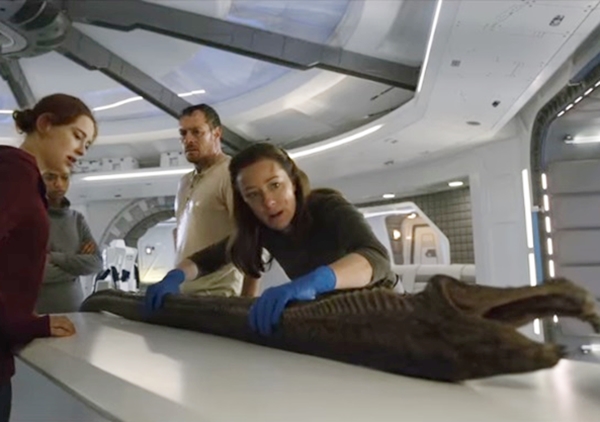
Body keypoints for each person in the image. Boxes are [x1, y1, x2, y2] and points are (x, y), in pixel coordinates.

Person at [145, 143, 397, 336]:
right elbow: (209, 259)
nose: (268, 202)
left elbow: (376, 258)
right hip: (333, 317)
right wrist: (174, 276)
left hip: (384, 309)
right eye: (253, 195)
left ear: (293, 182)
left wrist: (316, 281)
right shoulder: (262, 228)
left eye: (275, 185)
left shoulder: (327, 206)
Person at [0, 93, 97, 421]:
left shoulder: (25, 178)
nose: (82, 150)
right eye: (78, 136)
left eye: (87, 144)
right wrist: (25, 323)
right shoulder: (13, 172)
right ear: (45, 124)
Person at [150, 104, 255, 300]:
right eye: (183, 133)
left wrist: (248, 303)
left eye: (197, 132)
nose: (188, 140)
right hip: (184, 295)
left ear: (217, 133)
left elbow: (252, 241)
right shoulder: (184, 182)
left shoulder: (231, 174)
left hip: (221, 297)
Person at [36, 170, 102, 314]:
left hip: (75, 311)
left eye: (65, 178)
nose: (59, 184)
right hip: (38, 313)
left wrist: (54, 258)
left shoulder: (77, 220)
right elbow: (34, 272)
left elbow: (96, 263)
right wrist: (77, 268)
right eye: (50, 178)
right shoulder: (28, 220)